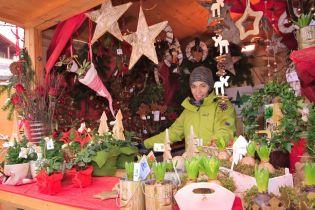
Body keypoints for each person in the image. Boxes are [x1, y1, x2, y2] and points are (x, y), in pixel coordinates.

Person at [144, 66, 236, 150]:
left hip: (214, 164)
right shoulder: (188, 110)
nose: (198, 91)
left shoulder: (222, 105)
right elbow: (172, 133)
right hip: (192, 164)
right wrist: (145, 144)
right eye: (194, 87)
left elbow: (225, 129)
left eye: (203, 86)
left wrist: (213, 145)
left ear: (210, 86)